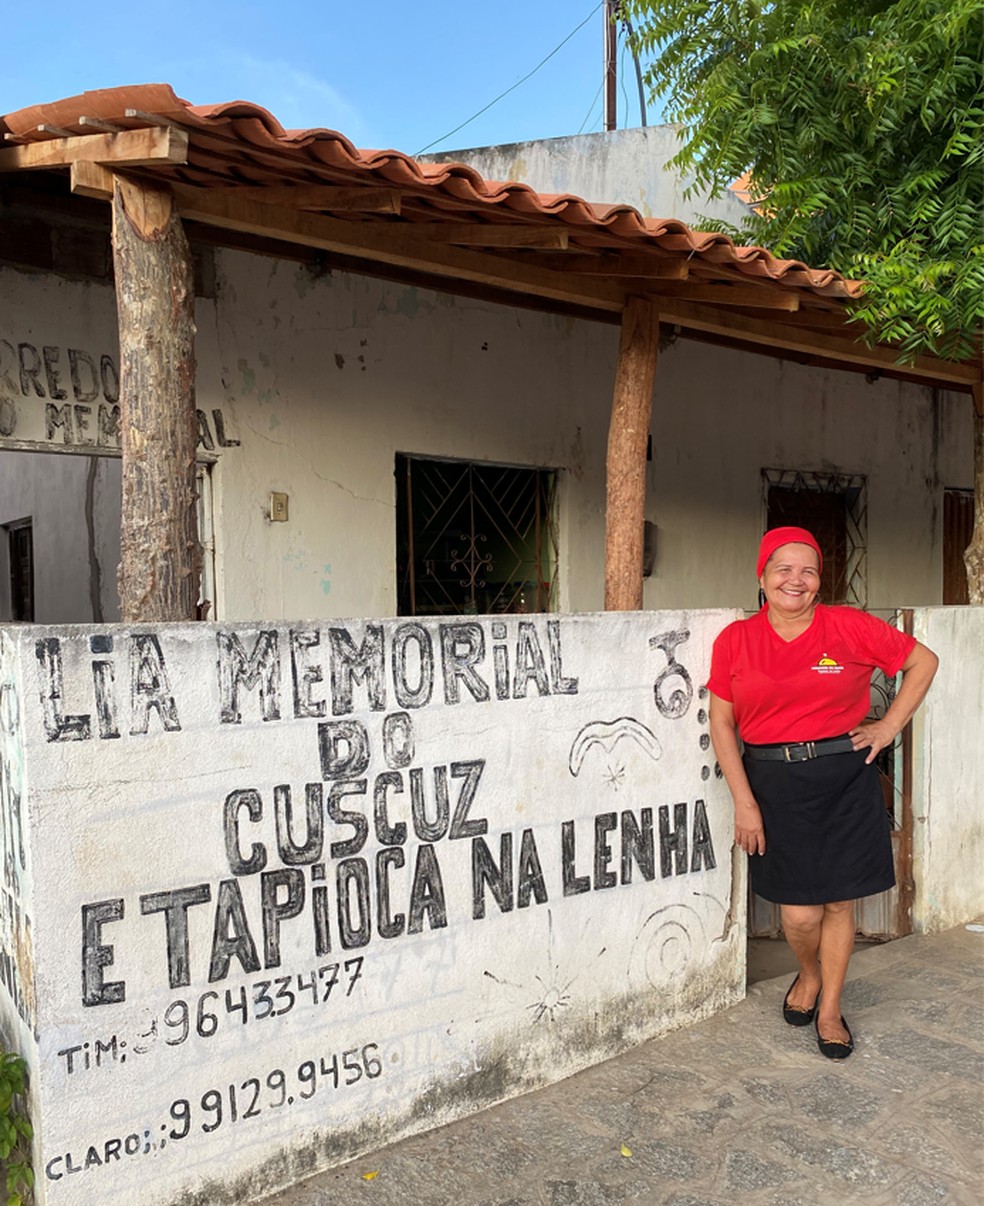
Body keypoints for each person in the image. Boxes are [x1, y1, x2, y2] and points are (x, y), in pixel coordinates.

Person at [707, 526, 938, 1058]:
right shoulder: (736, 641)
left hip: (844, 779)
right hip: (773, 784)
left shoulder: (848, 627)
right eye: (783, 569)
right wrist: (744, 801)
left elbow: (922, 662)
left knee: (838, 902)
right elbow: (722, 724)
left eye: (808, 571)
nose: (796, 579)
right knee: (799, 915)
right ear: (762, 578)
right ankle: (806, 973)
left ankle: (829, 1005)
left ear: (819, 582)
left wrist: (887, 728)